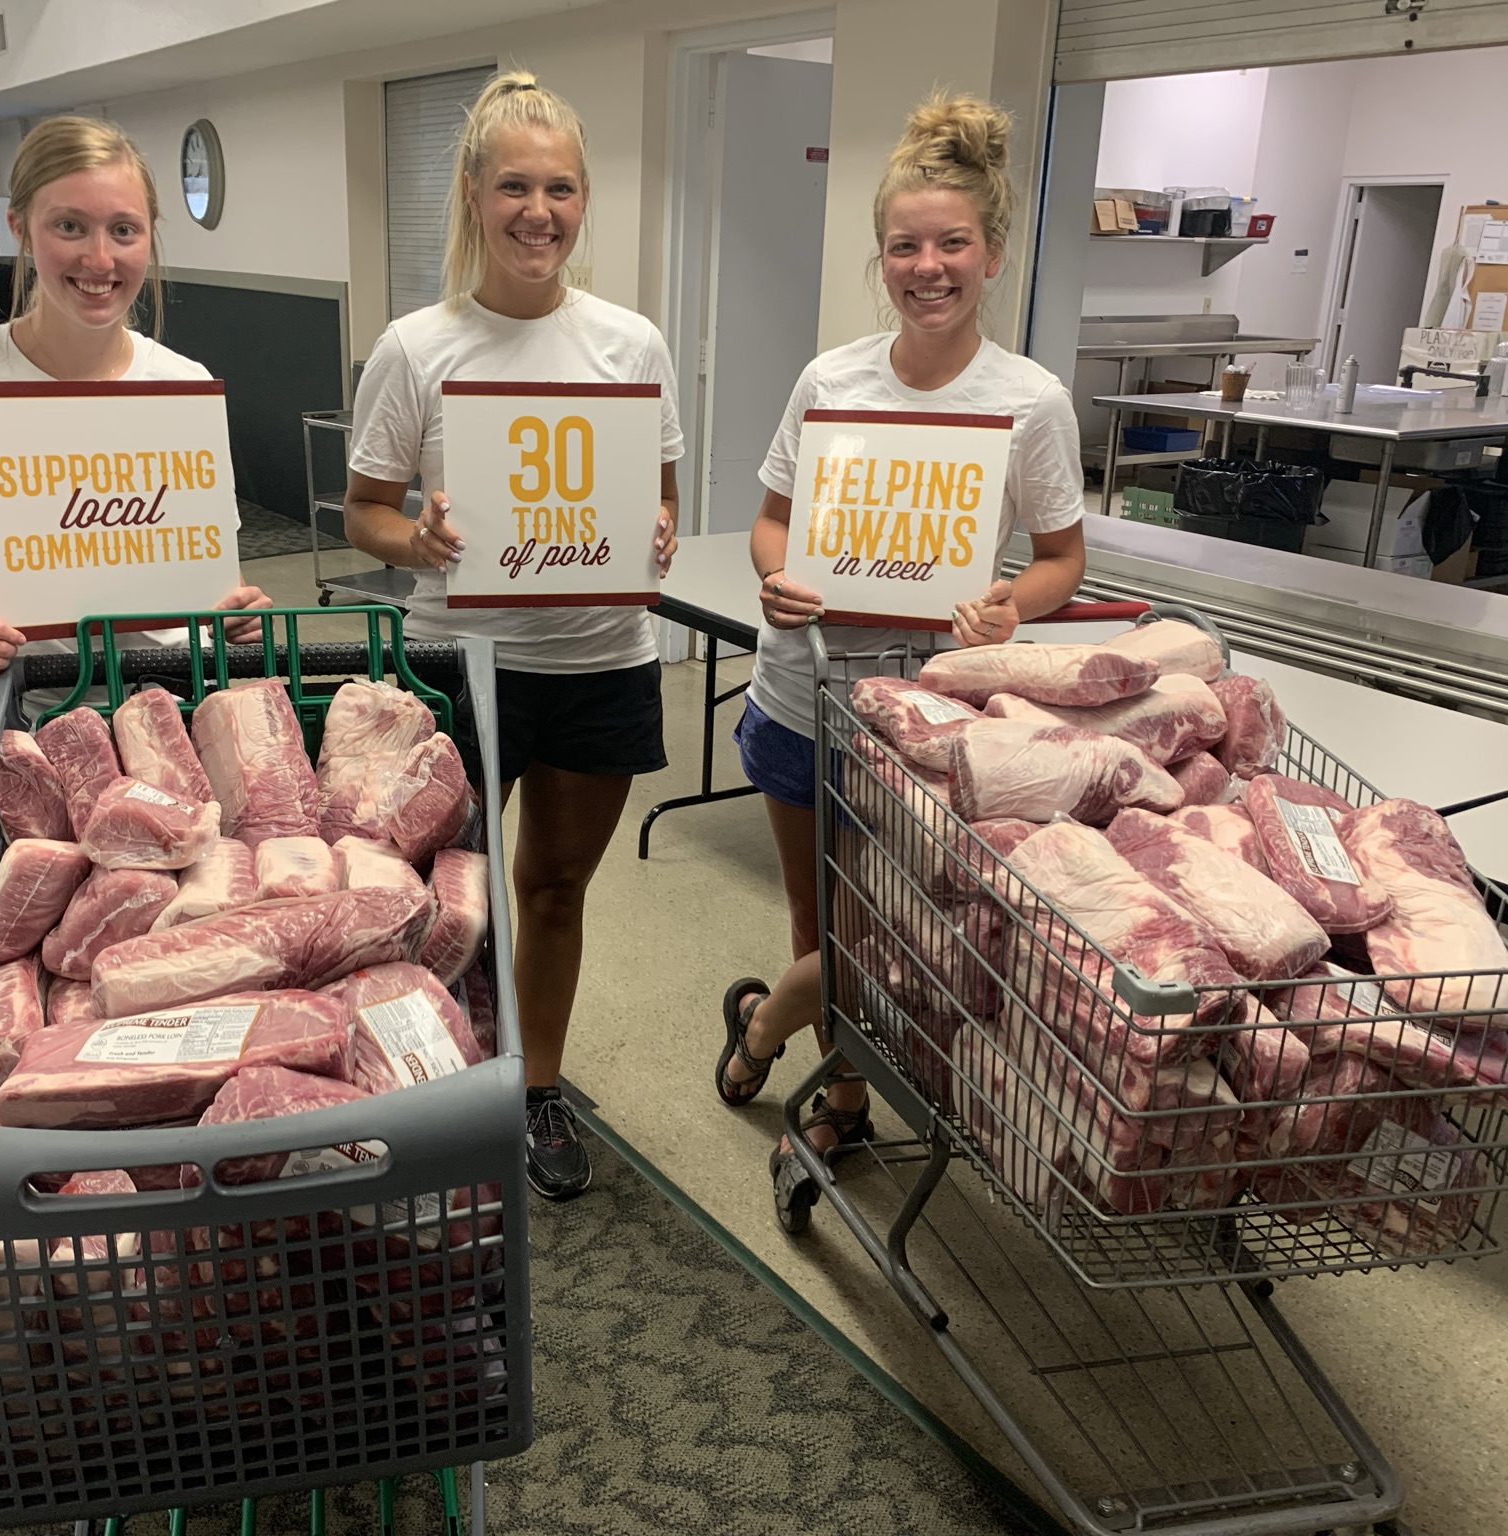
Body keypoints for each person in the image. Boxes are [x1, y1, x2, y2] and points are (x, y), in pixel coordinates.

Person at [714, 93, 1087, 1186]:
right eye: (904, 246)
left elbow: (1062, 557)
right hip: (805, 689)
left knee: (894, 923)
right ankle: (841, 1097)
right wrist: (774, 575)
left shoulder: (1029, 401)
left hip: (938, 718)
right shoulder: (830, 380)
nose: (928, 267)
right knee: (815, 908)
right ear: (879, 258)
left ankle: (766, 1024)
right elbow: (772, 520)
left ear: (993, 255)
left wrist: (1015, 604)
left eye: (951, 244)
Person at [344, 71, 681, 1201]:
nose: (539, 212)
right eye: (516, 188)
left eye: (561, 189)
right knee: (441, 897)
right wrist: (420, 542)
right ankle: (435, 1088)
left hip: (597, 664)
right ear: (473, 195)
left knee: (548, 892)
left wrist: (658, 532)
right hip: (460, 666)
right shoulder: (415, 346)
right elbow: (366, 514)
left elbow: (659, 495)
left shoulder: (629, 345)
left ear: (584, 202)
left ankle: (535, 1087)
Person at [0, 115, 268, 764]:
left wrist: (233, 609)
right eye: (69, 226)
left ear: (149, 237)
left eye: (123, 230)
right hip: (27, 720)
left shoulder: (182, 386)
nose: (99, 259)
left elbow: (203, 556)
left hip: (181, 713)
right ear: (20, 227)